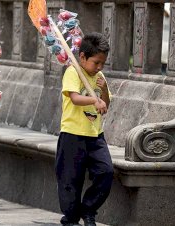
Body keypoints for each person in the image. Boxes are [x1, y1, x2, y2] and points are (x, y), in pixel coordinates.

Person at [56, 32, 114, 226]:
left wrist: (103, 90)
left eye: (102, 64)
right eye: (96, 62)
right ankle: (71, 218)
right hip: (72, 134)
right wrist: (93, 100)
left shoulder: (99, 77)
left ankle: (88, 209)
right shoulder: (73, 72)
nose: (99, 67)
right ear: (82, 57)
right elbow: (75, 98)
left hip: (95, 135)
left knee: (106, 172)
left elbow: (105, 103)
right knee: (70, 180)